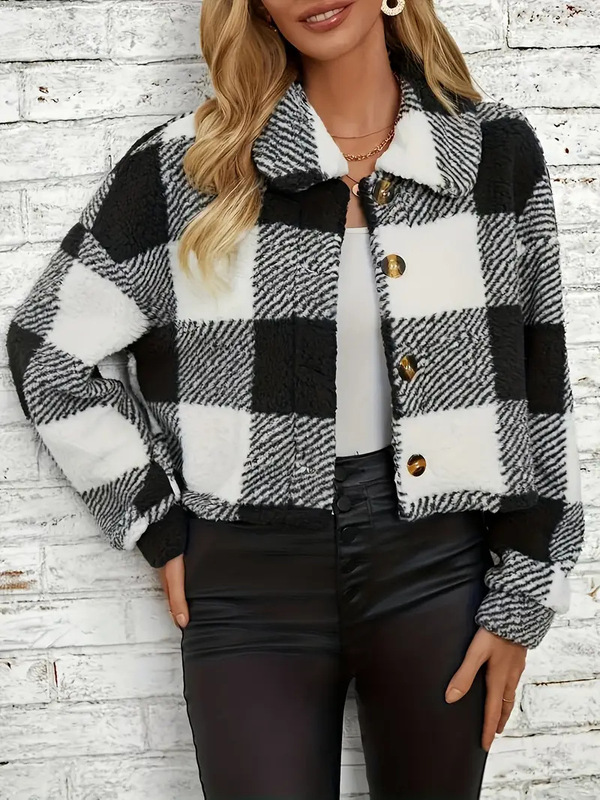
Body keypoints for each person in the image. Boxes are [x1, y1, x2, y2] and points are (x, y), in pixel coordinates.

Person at [5, 0, 585, 797]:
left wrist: (524, 594)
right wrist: (154, 519)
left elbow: (542, 386)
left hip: (438, 568)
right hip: (246, 581)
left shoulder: (495, 153)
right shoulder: (186, 167)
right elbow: (46, 350)